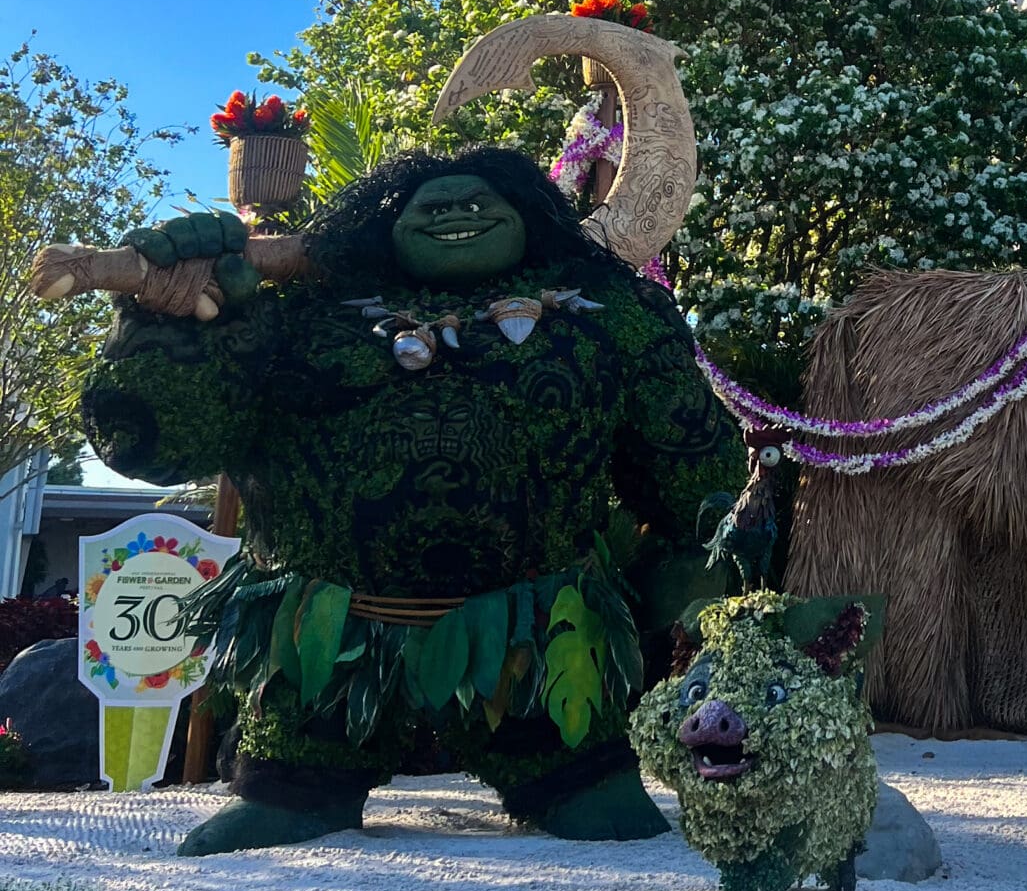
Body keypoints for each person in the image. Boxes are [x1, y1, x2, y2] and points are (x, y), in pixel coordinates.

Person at [81, 147, 746, 855]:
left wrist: (690, 559)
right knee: (292, 783)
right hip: (325, 641)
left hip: (542, 644)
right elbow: (152, 447)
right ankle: (296, 786)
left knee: (590, 789)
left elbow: (694, 472)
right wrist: (169, 324)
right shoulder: (301, 317)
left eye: (480, 201)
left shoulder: (605, 316)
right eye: (431, 202)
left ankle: (576, 776)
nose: (456, 211)